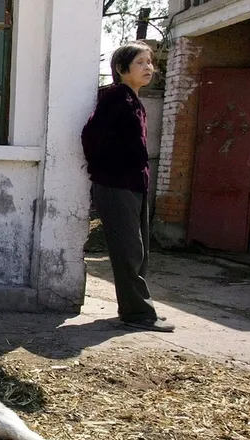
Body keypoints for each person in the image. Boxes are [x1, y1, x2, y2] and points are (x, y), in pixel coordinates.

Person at [81, 42, 175, 332]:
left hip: (134, 185)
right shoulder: (117, 98)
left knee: (140, 250)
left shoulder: (133, 101)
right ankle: (138, 315)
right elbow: (90, 136)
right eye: (140, 63)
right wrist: (109, 169)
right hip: (116, 185)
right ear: (121, 70)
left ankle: (136, 308)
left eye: (150, 62)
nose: (149, 67)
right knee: (129, 251)